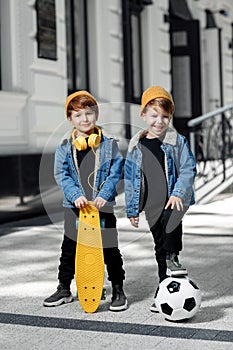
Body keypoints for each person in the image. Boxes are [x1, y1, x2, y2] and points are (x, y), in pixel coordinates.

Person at [43, 90, 127, 311]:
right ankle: (64, 287)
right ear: (70, 119)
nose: (85, 119)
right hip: (75, 207)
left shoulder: (109, 145)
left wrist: (103, 195)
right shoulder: (64, 148)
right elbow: (62, 175)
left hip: (102, 207)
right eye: (78, 115)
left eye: (89, 114)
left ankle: (118, 287)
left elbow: (115, 174)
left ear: (96, 115)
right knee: (69, 248)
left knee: (109, 247)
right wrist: (75, 195)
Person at [124, 86, 196, 312]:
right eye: (154, 115)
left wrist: (178, 193)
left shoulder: (178, 142)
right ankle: (163, 287)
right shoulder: (136, 145)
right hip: (151, 204)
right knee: (158, 247)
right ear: (144, 115)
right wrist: (132, 209)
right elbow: (130, 178)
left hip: (173, 200)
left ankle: (173, 256)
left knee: (170, 226)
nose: (159, 121)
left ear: (170, 117)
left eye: (165, 116)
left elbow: (188, 169)